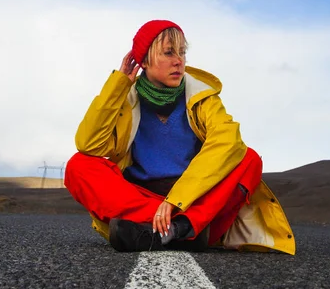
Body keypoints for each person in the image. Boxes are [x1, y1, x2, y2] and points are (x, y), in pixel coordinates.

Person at [64, 20, 295, 254]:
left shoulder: (202, 97)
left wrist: (177, 200)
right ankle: (181, 230)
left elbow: (228, 142)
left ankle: (167, 229)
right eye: (168, 52)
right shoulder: (126, 99)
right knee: (78, 166)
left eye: (182, 53)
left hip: (195, 200)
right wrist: (117, 85)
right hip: (142, 200)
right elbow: (88, 143)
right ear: (143, 60)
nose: (179, 61)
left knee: (249, 159)